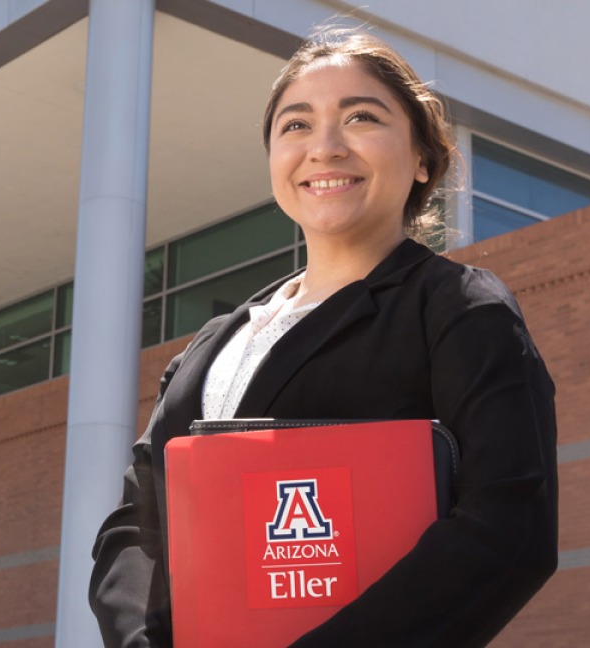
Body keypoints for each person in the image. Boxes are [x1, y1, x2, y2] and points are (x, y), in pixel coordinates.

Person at [89, 25, 558, 648]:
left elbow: (510, 525)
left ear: (422, 158)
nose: (325, 147)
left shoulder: (459, 307)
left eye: (361, 117)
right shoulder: (210, 345)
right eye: (296, 125)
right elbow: (135, 525)